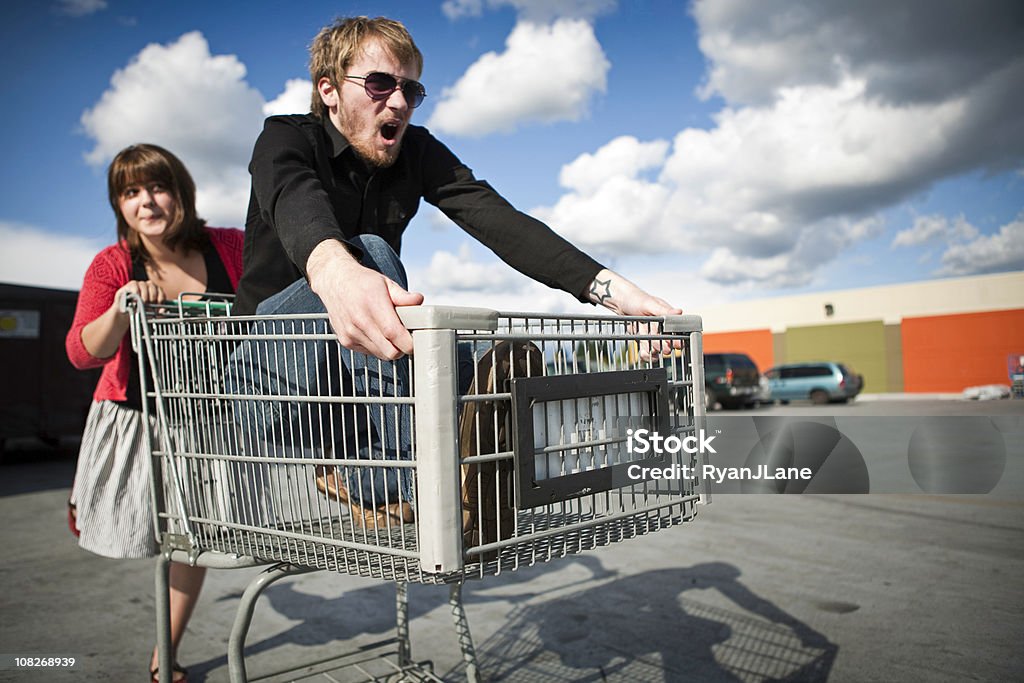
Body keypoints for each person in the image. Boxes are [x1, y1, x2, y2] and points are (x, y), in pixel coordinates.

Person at [231, 16, 679, 526]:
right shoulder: (284, 139)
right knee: (371, 256)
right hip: (264, 383)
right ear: (329, 90)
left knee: (471, 356)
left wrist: (613, 292)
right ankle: (430, 487)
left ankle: (447, 478)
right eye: (379, 84)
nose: (397, 102)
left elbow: (496, 218)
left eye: (410, 89)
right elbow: (294, 198)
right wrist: (336, 271)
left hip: (349, 398)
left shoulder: (416, 151)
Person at [66, 143, 245, 683]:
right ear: (120, 205)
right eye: (131, 192)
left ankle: (162, 658)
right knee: (142, 533)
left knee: (194, 540)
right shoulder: (114, 263)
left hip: (210, 423)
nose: (147, 202)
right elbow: (81, 351)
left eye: (158, 187)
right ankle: (87, 494)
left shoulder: (228, 246)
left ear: (181, 193)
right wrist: (122, 305)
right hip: (136, 419)